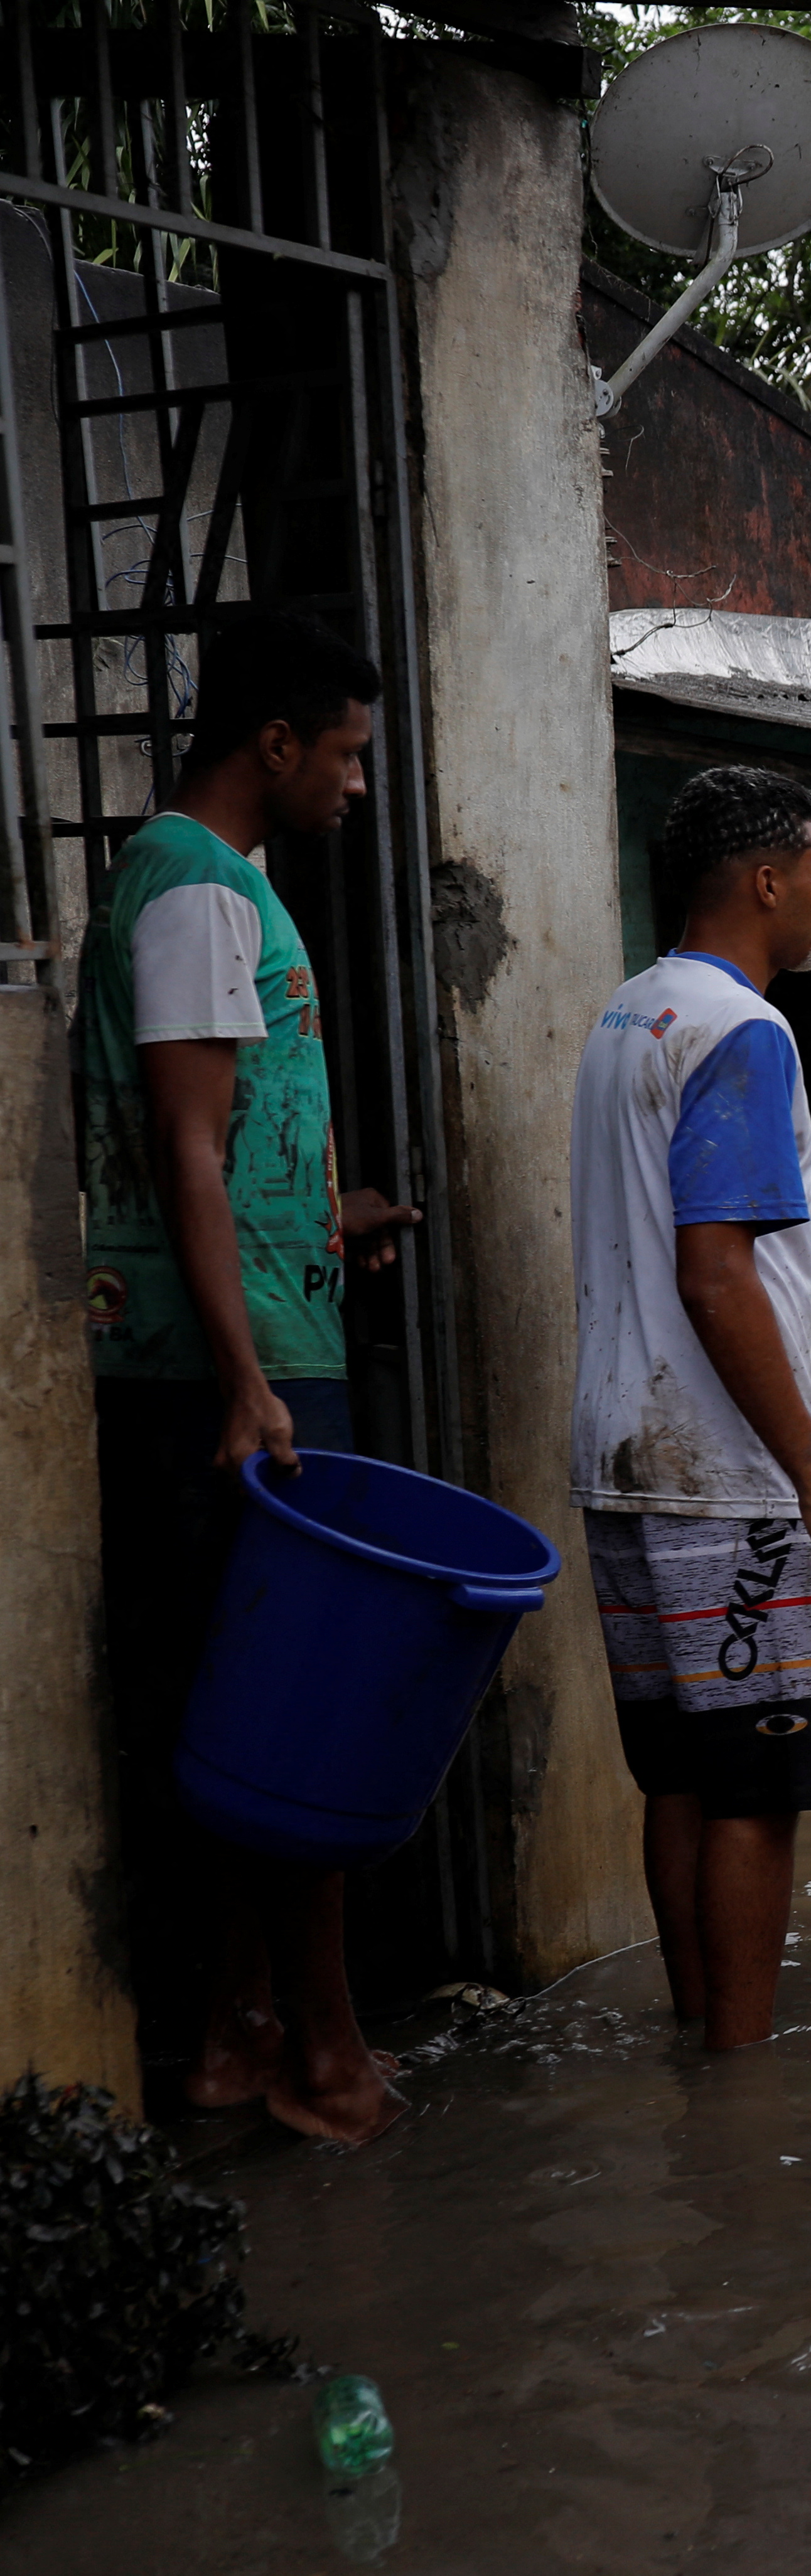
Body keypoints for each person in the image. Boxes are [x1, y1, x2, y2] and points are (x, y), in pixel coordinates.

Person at [75, 609, 424, 2145]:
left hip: (253, 1342)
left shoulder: (225, 896)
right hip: (229, 1378)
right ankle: (325, 2060)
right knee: (295, 1717)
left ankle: (236, 2041)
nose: (357, 782)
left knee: (241, 1704)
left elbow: (223, 1148)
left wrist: (326, 1215)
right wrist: (246, 1382)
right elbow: (187, 1147)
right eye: (344, 754)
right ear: (273, 746)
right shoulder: (201, 895)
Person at [569, 765, 811, 2051]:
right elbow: (719, 1272)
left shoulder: (625, 1018)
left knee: (684, 1773)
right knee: (758, 1784)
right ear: (764, 880)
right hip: (725, 1473)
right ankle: (747, 2101)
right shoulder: (745, 1032)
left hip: (621, 1455)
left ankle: (701, 2050)